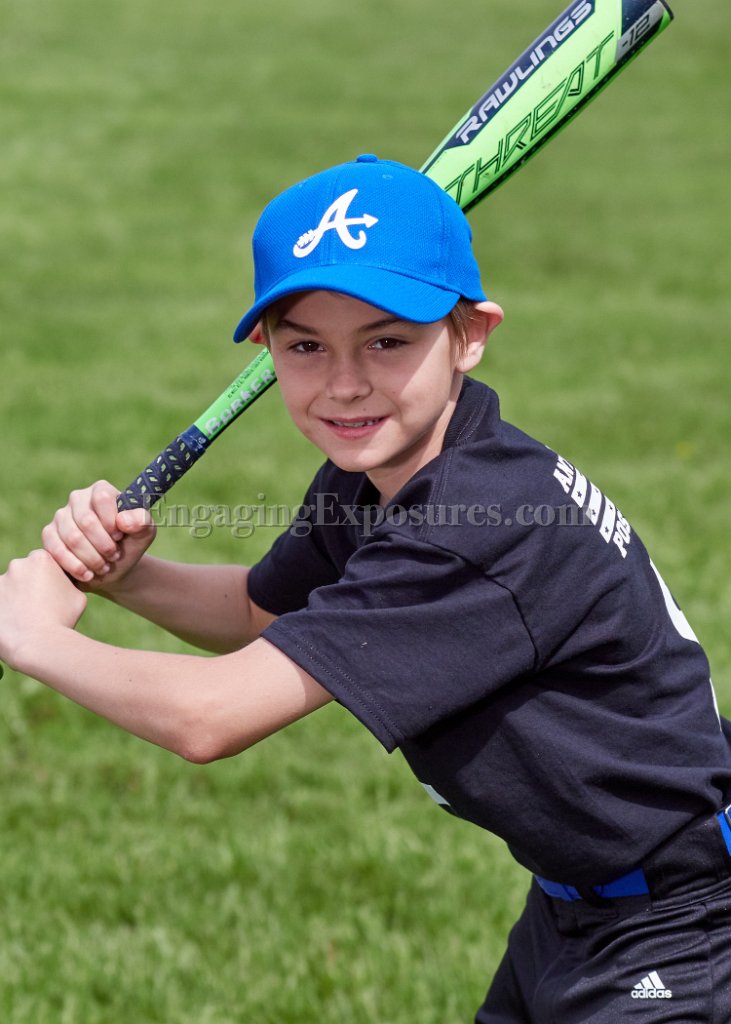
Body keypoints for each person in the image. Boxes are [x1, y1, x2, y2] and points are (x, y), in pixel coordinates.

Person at [1, 154, 731, 1023]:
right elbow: (257, 613)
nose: (345, 384)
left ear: (470, 334)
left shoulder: (477, 523)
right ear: (265, 349)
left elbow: (209, 719)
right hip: (576, 908)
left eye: (387, 341)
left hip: (682, 927)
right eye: (306, 346)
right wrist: (133, 578)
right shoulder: (381, 475)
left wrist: (37, 641)